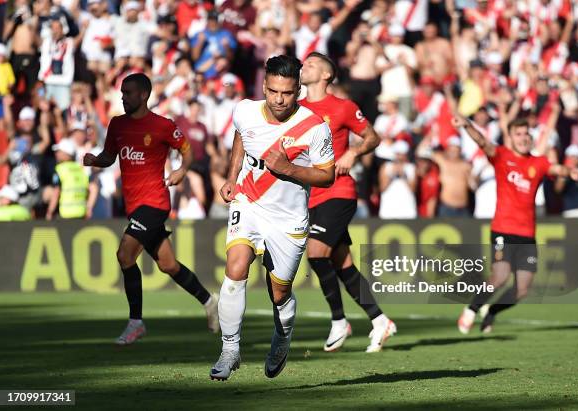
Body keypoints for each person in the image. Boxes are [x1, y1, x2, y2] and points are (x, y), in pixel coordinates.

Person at [210, 55, 335, 380]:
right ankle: (229, 349)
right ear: (264, 85)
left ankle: (282, 336)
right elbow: (242, 135)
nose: (280, 100)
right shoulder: (245, 110)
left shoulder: (315, 127)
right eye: (274, 91)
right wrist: (232, 176)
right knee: (235, 267)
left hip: (289, 218)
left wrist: (289, 169)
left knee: (279, 291)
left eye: (288, 93)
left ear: (297, 91)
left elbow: (327, 176)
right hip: (248, 202)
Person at [83, 73, 219, 345]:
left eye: (129, 93)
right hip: (135, 206)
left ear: (144, 95)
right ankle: (209, 301)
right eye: (122, 92)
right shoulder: (117, 125)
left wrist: (182, 168)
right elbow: (110, 157)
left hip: (155, 203)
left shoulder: (162, 125)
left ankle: (136, 322)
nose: (123, 97)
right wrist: (95, 159)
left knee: (124, 255)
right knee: (168, 265)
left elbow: (187, 150)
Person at [299, 52, 396, 352]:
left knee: (316, 253)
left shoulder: (342, 107)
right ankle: (380, 320)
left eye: (312, 64)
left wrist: (353, 153)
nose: (305, 67)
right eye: (304, 64)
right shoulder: (295, 110)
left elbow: (372, 137)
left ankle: (339, 321)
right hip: (310, 197)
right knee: (343, 265)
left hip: (338, 192)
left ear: (327, 75)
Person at [454, 116, 578, 334]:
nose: (523, 138)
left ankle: (492, 311)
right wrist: (467, 125)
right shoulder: (502, 156)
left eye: (526, 134)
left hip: (527, 234)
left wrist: (569, 171)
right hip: (503, 230)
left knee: (522, 290)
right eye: (518, 134)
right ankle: (471, 310)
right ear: (511, 137)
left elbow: (555, 169)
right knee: (500, 277)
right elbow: (483, 143)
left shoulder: (538, 162)